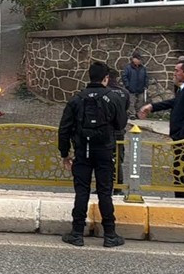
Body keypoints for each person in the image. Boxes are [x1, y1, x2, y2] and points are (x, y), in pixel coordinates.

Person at [57, 61, 127, 247]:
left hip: (82, 151)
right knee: (105, 192)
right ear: (106, 79)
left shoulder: (76, 99)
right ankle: (110, 234)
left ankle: (77, 233)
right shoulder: (113, 98)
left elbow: (63, 129)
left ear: (89, 76)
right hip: (105, 151)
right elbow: (121, 124)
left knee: (82, 191)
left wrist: (65, 154)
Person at [139, 60, 184, 199]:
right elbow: (175, 102)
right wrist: (152, 107)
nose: (174, 74)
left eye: (177, 71)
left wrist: (179, 136)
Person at [106, 68, 131, 194]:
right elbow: (126, 108)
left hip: (106, 130)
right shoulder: (124, 92)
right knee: (118, 160)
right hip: (119, 131)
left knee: (103, 159)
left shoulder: (105, 92)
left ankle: (105, 186)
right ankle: (118, 187)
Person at [121, 52, 148, 118]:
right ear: (134, 59)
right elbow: (124, 77)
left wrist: (146, 85)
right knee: (131, 102)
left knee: (140, 101)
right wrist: (127, 85)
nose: (139, 61)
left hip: (141, 88)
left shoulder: (143, 68)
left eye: (140, 59)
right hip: (131, 88)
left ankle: (138, 114)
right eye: (138, 59)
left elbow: (146, 77)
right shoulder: (128, 68)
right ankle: (132, 114)